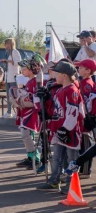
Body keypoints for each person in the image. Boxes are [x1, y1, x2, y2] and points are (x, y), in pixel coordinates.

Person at [37, 60, 84, 194]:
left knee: (72, 159)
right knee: (57, 157)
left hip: (70, 131)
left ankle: (71, 184)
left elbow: (73, 111)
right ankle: (54, 181)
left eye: (57, 73)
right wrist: (46, 104)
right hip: (59, 129)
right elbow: (56, 110)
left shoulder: (72, 90)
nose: (54, 75)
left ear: (64, 75)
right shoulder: (59, 90)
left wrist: (66, 128)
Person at [14, 59, 44, 172]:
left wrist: (24, 97)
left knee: (26, 134)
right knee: (25, 134)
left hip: (32, 112)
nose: (22, 71)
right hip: (25, 111)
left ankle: (35, 159)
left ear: (32, 70)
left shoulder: (36, 81)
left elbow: (35, 98)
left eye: (25, 69)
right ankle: (30, 157)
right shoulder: (28, 81)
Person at [0, 38, 21, 118]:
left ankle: (17, 111)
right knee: (9, 95)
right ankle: (9, 112)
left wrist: (8, 61)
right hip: (7, 77)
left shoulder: (15, 52)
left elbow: (18, 62)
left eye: (6, 43)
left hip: (13, 76)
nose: (5, 45)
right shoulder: (7, 53)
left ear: (9, 44)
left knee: (15, 95)